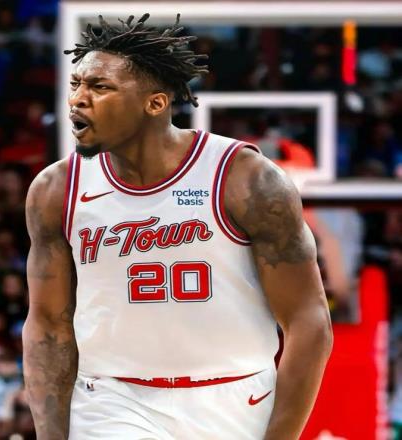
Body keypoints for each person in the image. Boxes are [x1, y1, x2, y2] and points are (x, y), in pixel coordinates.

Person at [22, 13, 333, 440]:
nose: (77, 99)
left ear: (155, 103)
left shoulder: (245, 179)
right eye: (76, 84)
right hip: (112, 399)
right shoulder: (57, 189)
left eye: (100, 87)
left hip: (235, 397)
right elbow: (47, 325)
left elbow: (309, 320)